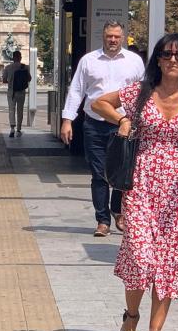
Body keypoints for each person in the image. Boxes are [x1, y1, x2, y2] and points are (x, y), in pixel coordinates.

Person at [91, 32, 178, 331]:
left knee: (169, 261)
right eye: (167, 54)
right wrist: (123, 120)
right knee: (140, 256)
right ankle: (130, 316)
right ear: (157, 59)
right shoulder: (140, 93)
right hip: (142, 185)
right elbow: (99, 102)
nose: (173, 60)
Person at [60, 21, 145, 237]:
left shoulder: (134, 62)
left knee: (122, 172)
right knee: (99, 174)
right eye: (109, 36)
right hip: (94, 124)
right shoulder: (89, 61)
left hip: (124, 124)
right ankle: (102, 220)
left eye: (117, 36)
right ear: (103, 36)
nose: (113, 40)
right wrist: (67, 119)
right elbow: (77, 90)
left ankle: (118, 211)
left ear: (123, 37)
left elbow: (143, 93)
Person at [1, 50, 31, 137]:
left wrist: (11, 81)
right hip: (21, 91)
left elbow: (4, 80)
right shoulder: (25, 67)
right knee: (20, 110)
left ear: (13, 58)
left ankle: (12, 128)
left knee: (11, 109)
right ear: (20, 57)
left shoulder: (8, 67)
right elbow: (29, 79)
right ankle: (19, 128)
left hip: (11, 92)